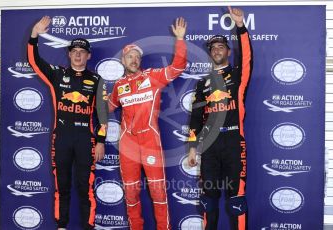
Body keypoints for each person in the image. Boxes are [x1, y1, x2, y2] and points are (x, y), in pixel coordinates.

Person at [27, 16, 108, 230]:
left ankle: (88, 226)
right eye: (74, 51)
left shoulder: (97, 80)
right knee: (61, 187)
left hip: (85, 140)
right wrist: (35, 34)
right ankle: (61, 226)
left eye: (82, 52)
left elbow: (102, 114)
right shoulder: (57, 74)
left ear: (88, 55)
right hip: (61, 137)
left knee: (85, 188)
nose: (78, 54)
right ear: (69, 54)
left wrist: (100, 141)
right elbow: (34, 61)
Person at [108, 17, 187, 230]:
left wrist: (179, 40)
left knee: (158, 192)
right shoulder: (118, 86)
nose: (133, 60)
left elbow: (178, 67)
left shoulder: (152, 77)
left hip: (150, 139)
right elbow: (106, 108)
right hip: (127, 145)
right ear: (123, 61)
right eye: (129, 56)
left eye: (136, 57)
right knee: (131, 194)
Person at [187, 7, 253, 230]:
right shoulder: (201, 84)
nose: (216, 50)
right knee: (209, 200)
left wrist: (241, 26)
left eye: (221, 47)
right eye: (213, 48)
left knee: (237, 201)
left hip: (234, 142)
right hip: (210, 145)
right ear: (210, 53)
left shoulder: (238, 75)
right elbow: (196, 117)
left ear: (227, 51)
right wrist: (193, 148)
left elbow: (247, 56)